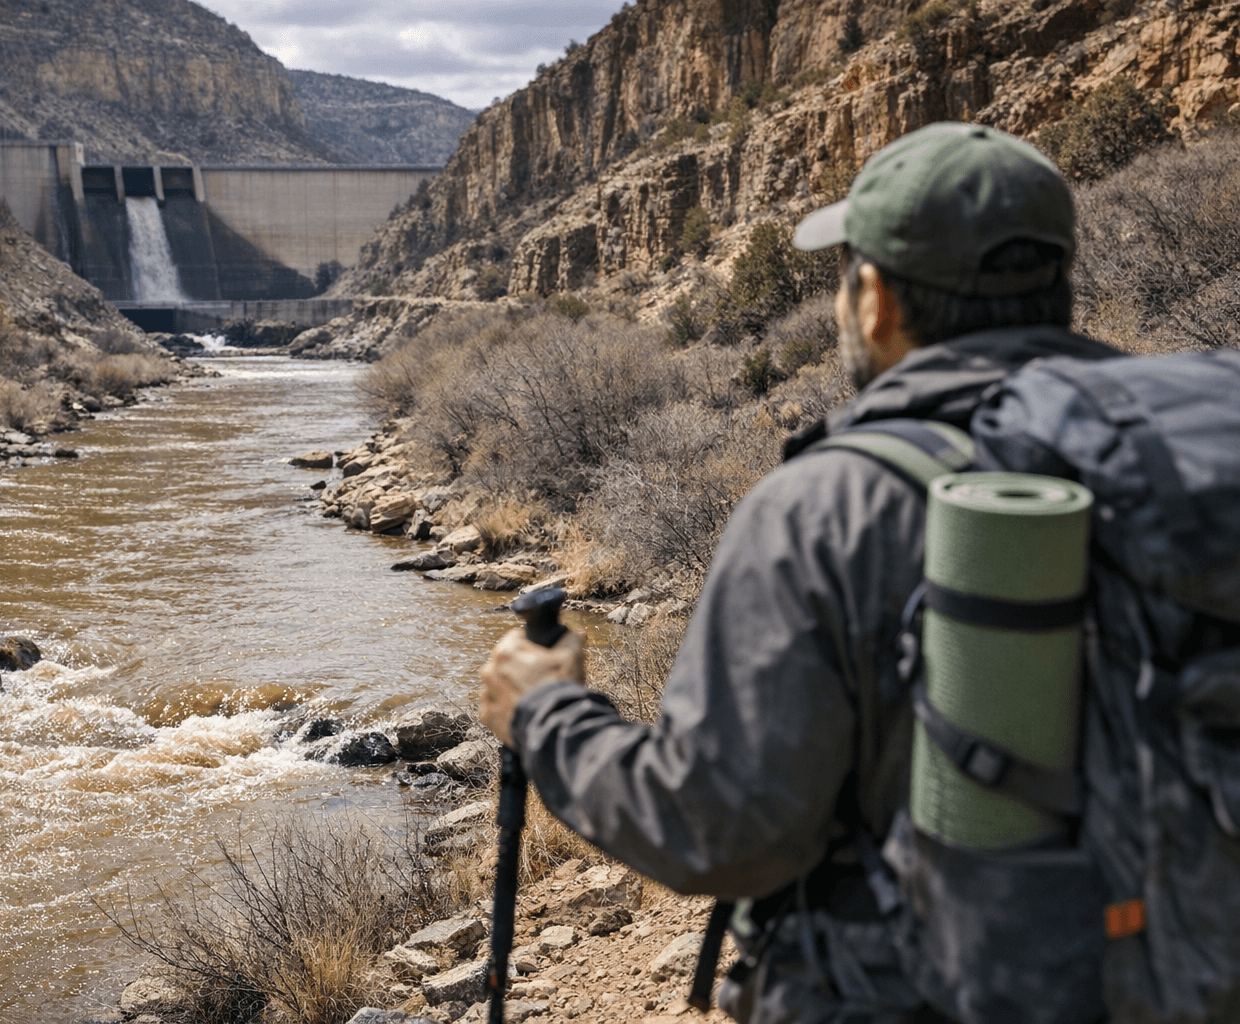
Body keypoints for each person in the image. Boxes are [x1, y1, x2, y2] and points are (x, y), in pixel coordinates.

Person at [477, 122, 1123, 1023]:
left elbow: (717, 827)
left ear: (875, 302)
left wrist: (546, 715)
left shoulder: (829, 505)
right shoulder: (1185, 457)